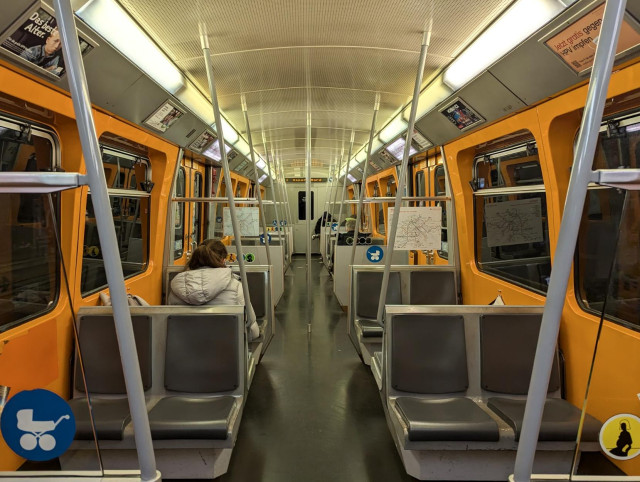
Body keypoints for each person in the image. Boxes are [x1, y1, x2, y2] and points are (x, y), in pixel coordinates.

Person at [168, 238, 260, 340]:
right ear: (223, 260)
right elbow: (251, 328)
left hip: (182, 349)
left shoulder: (176, 287)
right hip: (226, 348)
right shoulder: (235, 286)